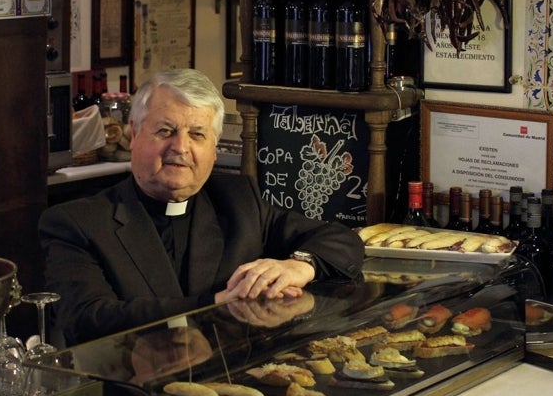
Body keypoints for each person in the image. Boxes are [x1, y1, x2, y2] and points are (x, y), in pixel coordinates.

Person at [39, 68, 364, 346]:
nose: (180, 147)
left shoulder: (237, 200)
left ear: (214, 145)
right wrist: (212, 305)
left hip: (231, 385)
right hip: (132, 394)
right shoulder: (76, 223)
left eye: (197, 134)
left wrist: (298, 265)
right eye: (165, 131)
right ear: (135, 134)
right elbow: (87, 318)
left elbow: (342, 241)